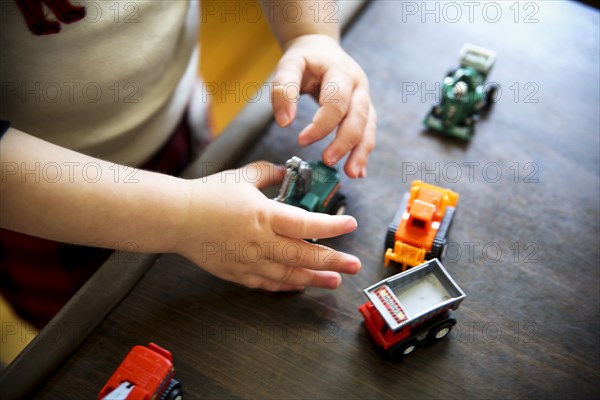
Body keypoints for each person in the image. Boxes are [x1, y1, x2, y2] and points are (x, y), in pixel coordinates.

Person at [0, 0, 376, 328]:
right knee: (82, 325)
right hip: (44, 210)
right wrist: (185, 216)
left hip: (181, 127)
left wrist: (310, 35)